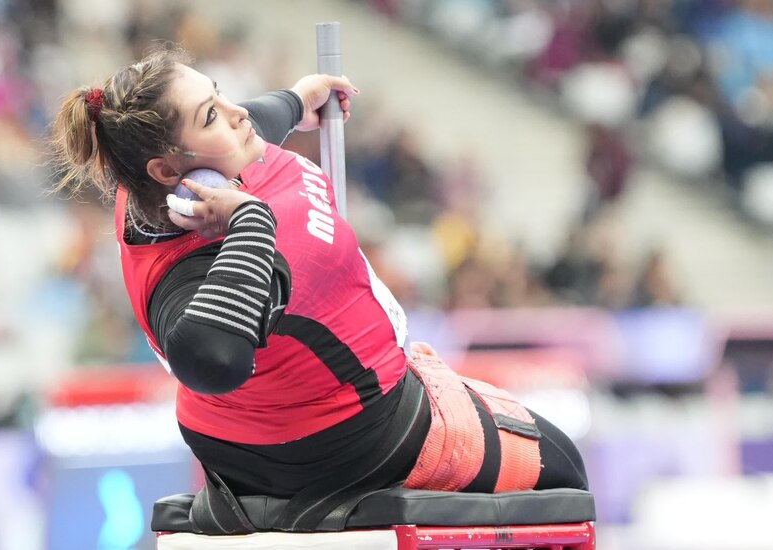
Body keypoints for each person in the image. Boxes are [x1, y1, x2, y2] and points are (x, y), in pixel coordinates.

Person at [51, 46, 588, 531]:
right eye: (212, 114)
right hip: (356, 440)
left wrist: (295, 99)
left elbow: (248, 123)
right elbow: (210, 362)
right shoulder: (190, 270)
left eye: (219, 94)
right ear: (168, 169)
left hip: (284, 431)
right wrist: (251, 223)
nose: (237, 114)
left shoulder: (167, 185)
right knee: (563, 468)